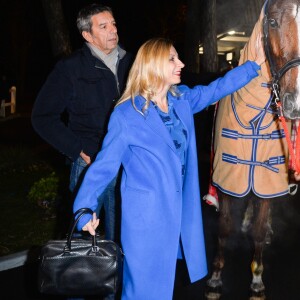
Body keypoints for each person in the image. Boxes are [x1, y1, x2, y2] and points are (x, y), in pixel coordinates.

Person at [72, 37, 265, 299]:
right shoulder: (127, 115)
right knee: (141, 291)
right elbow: (103, 168)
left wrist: (253, 66)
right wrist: (84, 211)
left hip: (177, 214)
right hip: (145, 221)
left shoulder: (181, 101)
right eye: (172, 59)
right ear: (152, 65)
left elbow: (216, 88)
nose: (181, 63)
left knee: (163, 287)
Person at [31, 3, 133, 243]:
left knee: (123, 236)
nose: (113, 30)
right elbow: (42, 117)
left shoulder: (132, 63)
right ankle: (83, 280)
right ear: (87, 34)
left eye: (114, 23)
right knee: (84, 239)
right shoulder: (70, 68)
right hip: (90, 165)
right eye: (104, 26)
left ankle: (119, 280)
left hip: (126, 162)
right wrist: (78, 149)